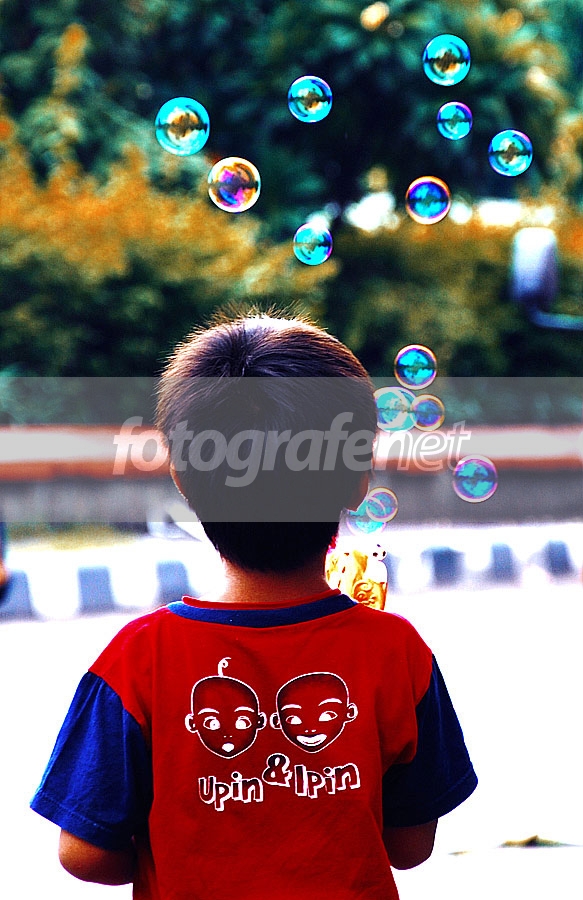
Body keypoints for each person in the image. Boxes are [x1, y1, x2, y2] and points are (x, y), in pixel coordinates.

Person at [30, 313, 477, 899]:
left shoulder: (137, 659)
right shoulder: (397, 651)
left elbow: (84, 853)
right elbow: (409, 847)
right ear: (359, 481)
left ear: (182, 478)